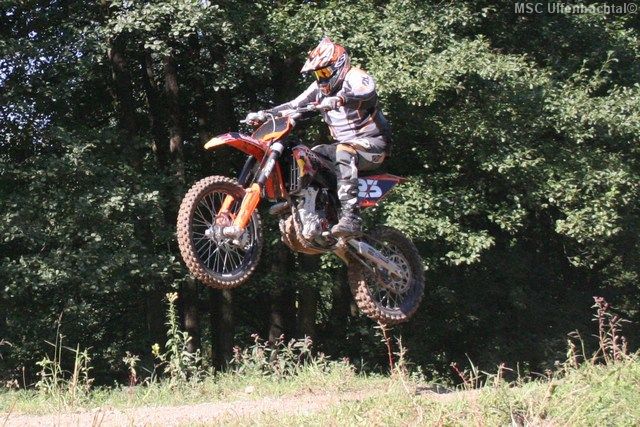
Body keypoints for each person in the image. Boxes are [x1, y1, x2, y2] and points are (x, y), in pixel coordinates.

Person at [245, 37, 391, 238]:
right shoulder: (318, 88)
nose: (321, 79)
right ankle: (312, 205)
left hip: (375, 143)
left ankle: (352, 218)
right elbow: (294, 105)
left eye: (324, 72)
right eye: (317, 74)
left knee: (343, 151)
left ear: (339, 66)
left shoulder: (355, 77)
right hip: (345, 146)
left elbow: (368, 97)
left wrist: (341, 99)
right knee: (309, 157)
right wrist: (265, 114)